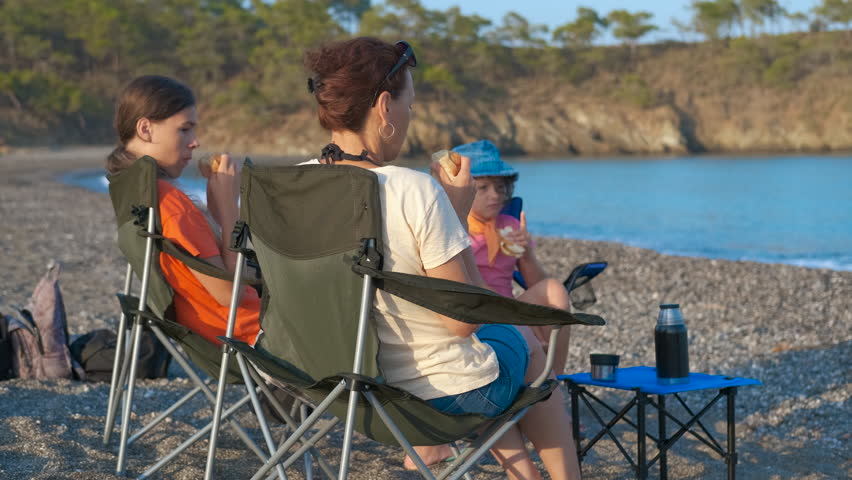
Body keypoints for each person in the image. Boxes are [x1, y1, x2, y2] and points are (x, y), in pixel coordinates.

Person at [302, 37, 581, 480]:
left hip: (331, 386)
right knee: (525, 346)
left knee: (505, 347)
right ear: (383, 107)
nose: (410, 117)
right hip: (430, 396)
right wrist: (452, 208)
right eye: (409, 105)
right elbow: (462, 320)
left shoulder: (291, 189)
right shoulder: (411, 189)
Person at [105, 75, 260, 346]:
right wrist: (228, 212)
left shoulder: (137, 192)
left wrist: (214, 210)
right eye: (184, 129)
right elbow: (229, 294)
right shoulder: (171, 204)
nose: (195, 142)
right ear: (146, 129)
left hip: (212, 330)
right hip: (253, 335)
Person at [453, 139, 574, 376]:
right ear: (463, 189)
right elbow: (471, 284)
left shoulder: (509, 225)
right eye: (483, 188)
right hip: (475, 312)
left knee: (554, 289)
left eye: (500, 188)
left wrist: (527, 254)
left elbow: (535, 284)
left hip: (510, 309)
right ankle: (530, 351)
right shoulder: (456, 227)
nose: (495, 196)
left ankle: (553, 380)